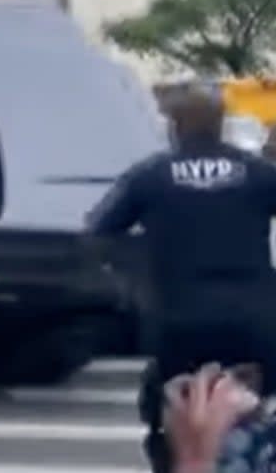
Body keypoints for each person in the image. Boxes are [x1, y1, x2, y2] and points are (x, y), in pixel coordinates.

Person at [86, 82, 276, 473]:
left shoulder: (150, 176)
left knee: (172, 418)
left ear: (175, 127)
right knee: (260, 414)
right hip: (255, 322)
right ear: (221, 125)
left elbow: (99, 234)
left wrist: (131, 284)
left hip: (178, 322)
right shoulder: (259, 174)